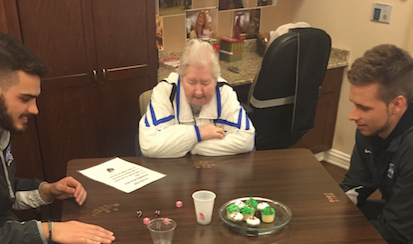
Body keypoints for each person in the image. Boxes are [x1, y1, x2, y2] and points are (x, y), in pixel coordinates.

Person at [0, 33, 115, 244]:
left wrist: (47, 191)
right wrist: (49, 231)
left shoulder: (3, 129)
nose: (34, 109)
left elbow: (6, 191)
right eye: (25, 99)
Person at [340, 44, 413, 243]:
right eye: (354, 104)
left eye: (364, 107)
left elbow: (396, 234)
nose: (353, 116)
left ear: (397, 104)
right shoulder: (371, 128)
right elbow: (356, 186)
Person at [139, 39, 255, 158]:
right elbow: (149, 146)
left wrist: (190, 146)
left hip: (214, 172)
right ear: (181, 78)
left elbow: (246, 140)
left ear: (216, 79)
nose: (199, 91)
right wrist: (198, 133)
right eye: (192, 82)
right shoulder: (165, 91)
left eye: (205, 83)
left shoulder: (224, 92)